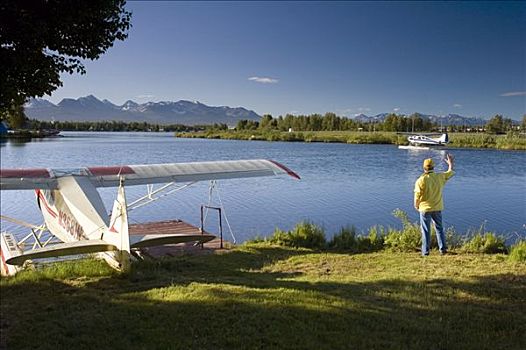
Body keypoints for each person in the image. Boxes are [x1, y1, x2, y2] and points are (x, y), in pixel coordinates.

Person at [414, 153, 455, 256]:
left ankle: (425, 252)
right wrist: (450, 164)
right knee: (439, 229)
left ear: (424, 168)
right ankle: (443, 250)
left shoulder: (420, 180)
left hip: (424, 209)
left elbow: (417, 195)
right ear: (433, 167)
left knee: (425, 230)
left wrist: (416, 205)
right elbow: (449, 173)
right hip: (437, 207)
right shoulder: (439, 177)